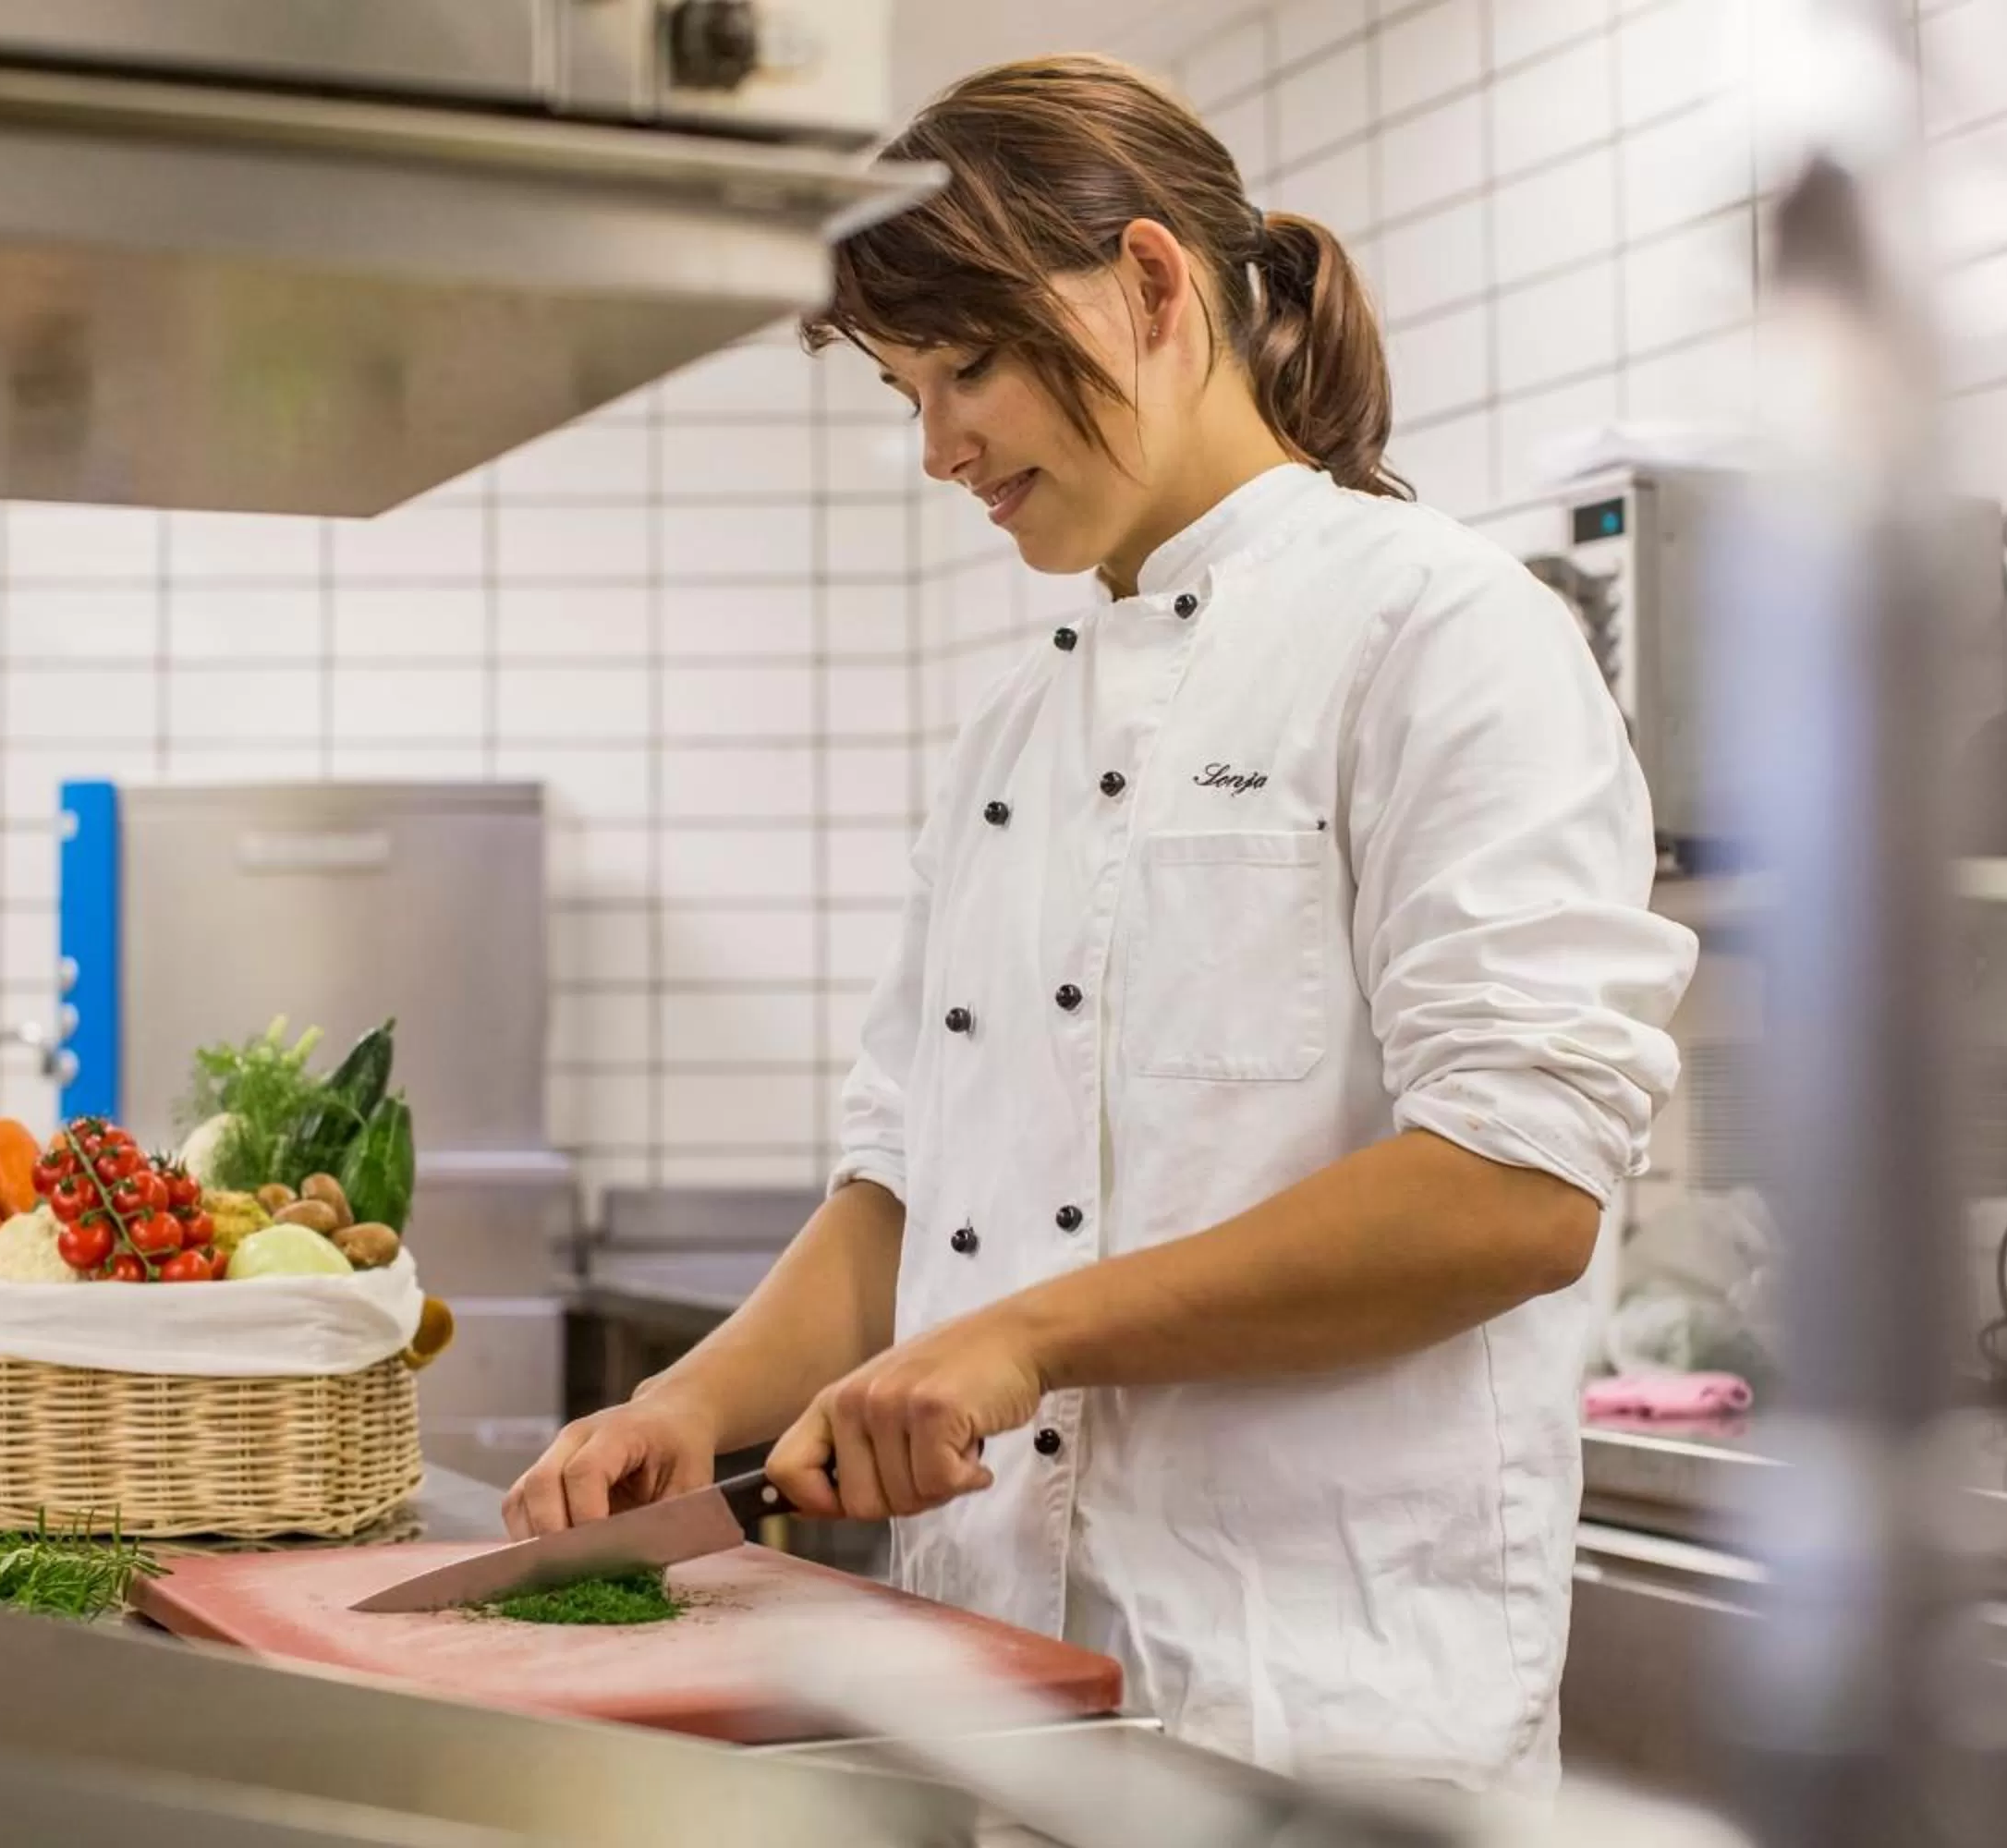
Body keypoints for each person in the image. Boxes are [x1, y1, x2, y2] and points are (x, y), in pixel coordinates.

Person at [505, 54, 1698, 1797]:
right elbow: (908, 1188)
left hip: (1319, 1733)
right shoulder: (1013, 730)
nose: (939, 450)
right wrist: (693, 1409)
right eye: (911, 391)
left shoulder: (1444, 631)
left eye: (967, 368)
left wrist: (1026, 1339)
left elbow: (1513, 1189)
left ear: (1151, 284)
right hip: (999, 1706)